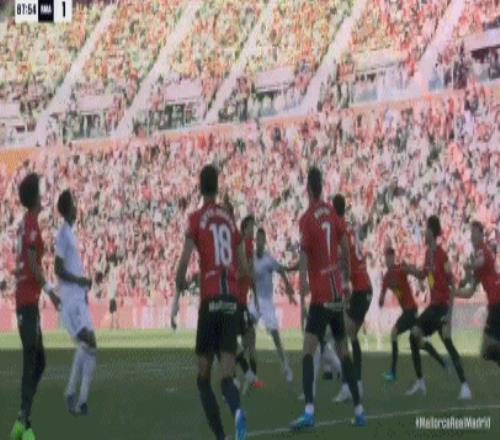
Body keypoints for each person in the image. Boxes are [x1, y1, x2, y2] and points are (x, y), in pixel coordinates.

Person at [172, 165, 248, 440]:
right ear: (217, 186)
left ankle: (221, 436)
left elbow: (184, 261)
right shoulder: (230, 219)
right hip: (230, 301)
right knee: (227, 376)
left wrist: (180, 283)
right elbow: (244, 267)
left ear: (200, 186)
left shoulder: (196, 218)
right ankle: (237, 411)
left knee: (203, 378)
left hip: (211, 300)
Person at [290, 167, 366, 430]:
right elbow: (344, 245)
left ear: (308, 189)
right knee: (344, 351)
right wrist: (346, 276)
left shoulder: (306, 219)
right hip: (336, 293)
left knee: (307, 350)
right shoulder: (333, 213)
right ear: (321, 187)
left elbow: (303, 259)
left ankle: (309, 412)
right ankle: (359, 411)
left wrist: (302, 300)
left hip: (321, 295)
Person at [10, 173, 61, 440]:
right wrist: (51, 291)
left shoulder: (26, 223)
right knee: (32, 356)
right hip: (26, 300)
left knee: (38, 361)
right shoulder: (30, 223)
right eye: (40, 191)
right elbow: (31, 260)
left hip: (28, 299)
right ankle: (23, 423)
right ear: (34, 197)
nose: (43, 196)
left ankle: (23, 420)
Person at [404, 216, 471, 399]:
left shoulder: (442, 255)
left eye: (426, 229)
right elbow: (423, 275)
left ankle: (465, 386)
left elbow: (451, 283)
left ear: (432, 232)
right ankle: (421, 383)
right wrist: (409, 270)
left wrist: (449, 313)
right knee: (413, 335)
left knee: (447, 342)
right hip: (433, 307)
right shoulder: (428, 254)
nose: (423, 232)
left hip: (442, 308)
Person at [54, 190, 96, 416]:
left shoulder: (70, 233)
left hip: (79, 297)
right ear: (68, 208)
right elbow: (58, 268)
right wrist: (79, 281)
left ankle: (79, 399)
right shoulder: (62, 234)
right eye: (74, 203)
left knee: (90, 345)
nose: (77, 206)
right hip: (71, 299)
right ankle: (74, 395)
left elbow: (70, 266)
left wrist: (83, 285)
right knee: (88, 343)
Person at [379, 247, 445, 382]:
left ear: (393, 257)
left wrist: (415, 272)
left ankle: (393, 372)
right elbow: (382, 297)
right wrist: (381, 299)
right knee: (419, 342)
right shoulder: (386, 277)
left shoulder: (399, 269)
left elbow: (413, 272)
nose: (388, 259)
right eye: (386, 257)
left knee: (394, 333)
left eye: (390, 257)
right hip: (408, 311)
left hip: (411, 310)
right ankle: (442, 361)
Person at [332, 195, 372, 403]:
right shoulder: (348, 228)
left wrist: (345, 282)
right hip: (364, 288)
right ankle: (357, 383)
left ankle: (348, 386)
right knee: (350, 336)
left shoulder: (339, 230)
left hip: (359, 289)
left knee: (341, 336)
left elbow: (344, 257)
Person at [248, 227, 297, 384]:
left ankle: (286, 366)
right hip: (255, 301)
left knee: (275, 336)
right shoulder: (251, 258)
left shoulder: (268, 260)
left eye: (262, 239)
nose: (259, 242)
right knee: (247, 332)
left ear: (265, 242)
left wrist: (288, 289)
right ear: (256, 241)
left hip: (267, 302)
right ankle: (251, 369)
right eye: (258, 239)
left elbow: (281, 270)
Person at [453, 221, 500, 366]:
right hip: (495, 304)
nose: (471, 235)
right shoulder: (478, 258)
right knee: (489, 350)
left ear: (481, 234)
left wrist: (468, 266)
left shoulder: (483, 250)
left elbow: (480, 262)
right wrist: (452, 292)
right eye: (471, 232)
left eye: (474, 232)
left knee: (487, 350)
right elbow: (469, 292)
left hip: (497, 302)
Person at [235, 215, 265, 395]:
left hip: (242, 301)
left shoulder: (248, 246)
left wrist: (256, 296)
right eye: (251, 227)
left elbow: (250, 273)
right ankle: (246, 377)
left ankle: (248, 377)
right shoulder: (242, 244)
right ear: (245, 228)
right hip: (236, 301)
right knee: (243, 341)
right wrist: (246, 273)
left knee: (246, 340)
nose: (253, 230)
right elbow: (242, 271)